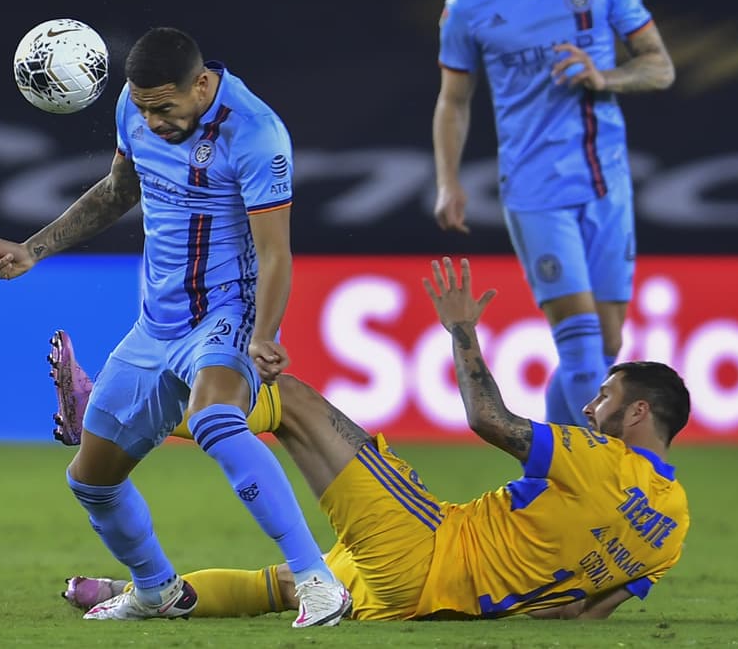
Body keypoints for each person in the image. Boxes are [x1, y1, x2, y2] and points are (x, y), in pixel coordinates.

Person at [0, 27, 351, 627]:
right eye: (142, 107)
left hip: (225, 315)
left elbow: (275, 251)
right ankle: (156, 590)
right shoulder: (135, 105)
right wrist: (33, 249)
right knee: (91, 480)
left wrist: (264, 333)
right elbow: (117, 192)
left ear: (201, 85)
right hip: (155, 325)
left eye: (164, 109)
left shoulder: (256, 134)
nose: (151, 121)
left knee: (216, 418)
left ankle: (316, 579)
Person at [64, 257, 692, 622]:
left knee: (298, 403)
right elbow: (582, 614)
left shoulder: (601, 460)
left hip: (428, 547)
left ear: (640, 412)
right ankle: (117, 595)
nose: (589, 405)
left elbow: (489, 421)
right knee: (281, 585)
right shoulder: (673, 526)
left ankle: (116, 420)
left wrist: (462, 331)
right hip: (434, 607)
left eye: (604, 397)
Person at [432, 0, 676, 427]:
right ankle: (587, 482)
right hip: (536, 190)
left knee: (608, 349)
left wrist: (604, 76)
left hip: (606, 183)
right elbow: (454, 100)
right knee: (584, 351)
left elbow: (659, 67)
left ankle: (548, 471)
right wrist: (448, 181)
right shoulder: (468, 3)